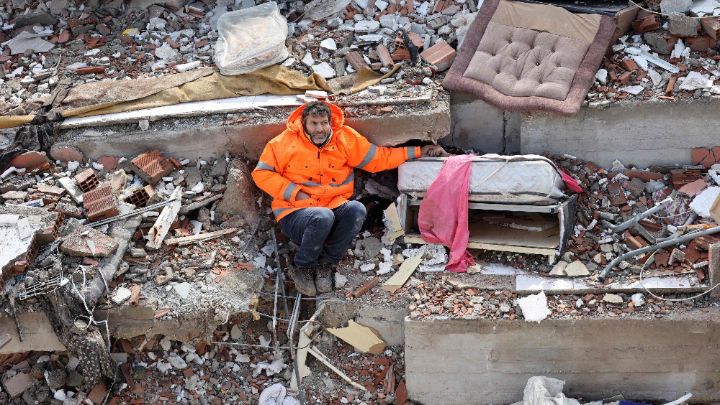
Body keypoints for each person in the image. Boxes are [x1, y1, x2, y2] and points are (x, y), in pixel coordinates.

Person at [251, 101, 447, 296]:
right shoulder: (283, 143)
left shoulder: (344, 139)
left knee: (356, 210)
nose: (320, 129)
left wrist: (420, 151)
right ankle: (303, 266)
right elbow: (261, 174)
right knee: (322, 217)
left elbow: (379, 159)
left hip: (332, 208)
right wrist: (294, 192)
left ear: (330, 123)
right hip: (295, 212)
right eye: (314, 123)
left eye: (324, 123)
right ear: (304, 124)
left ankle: (326, 264)